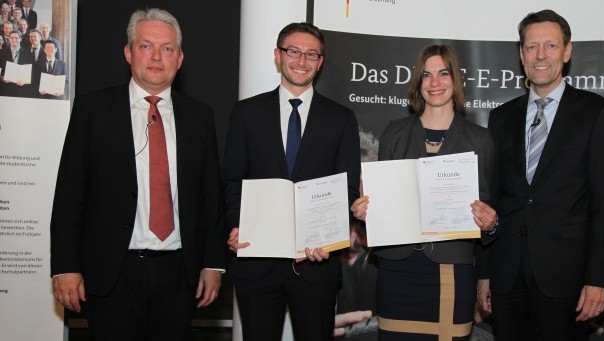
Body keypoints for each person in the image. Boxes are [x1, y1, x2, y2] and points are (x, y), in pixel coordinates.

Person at [50, 8, 226, 341]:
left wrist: (213, 264)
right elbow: (69, 195)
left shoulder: (199, 117)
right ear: (129, 53)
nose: (157, 57)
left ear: (180, 57)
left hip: (179, 273)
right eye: (146, 46)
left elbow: (210, 198)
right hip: (113, 273)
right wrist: (65, 266)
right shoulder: (93, 111)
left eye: (168, 48)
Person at [480, 9, 604, 341]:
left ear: (567, 52)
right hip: (507, 274)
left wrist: (599, 279)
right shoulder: (500, 118)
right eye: (531, 47)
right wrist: (484, 274)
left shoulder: (596, 112)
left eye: (550, 46)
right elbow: (492, 199)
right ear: (521, 54)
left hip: (566, 277)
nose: (540, 55)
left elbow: (603, 204)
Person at [222, 22, 361, 341]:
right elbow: (232, 179)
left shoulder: (341, 119)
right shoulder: (246, 113)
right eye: (294, 51)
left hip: (316, 265)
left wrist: (328, 236)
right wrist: (234, 226)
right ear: (277, 55)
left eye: (311, 54)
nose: (302, 60)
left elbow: (347, 188)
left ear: (321, 62)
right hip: (256, 261)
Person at [350, 44, 498, 340]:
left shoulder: (479, 140)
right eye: (426, 75)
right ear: (418, 82)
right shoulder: (394, 133)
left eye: (443, 73)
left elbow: (488, 220)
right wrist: (365, 213)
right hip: (396, 273)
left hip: (451, 275)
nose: (435, 83)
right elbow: (383, 207)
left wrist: (491, 224)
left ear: (455, 79)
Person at [0, 29, 33, 97]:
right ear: (9, 39)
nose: (14, 40)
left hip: (22, 89)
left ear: (20, 39)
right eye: (11, 38)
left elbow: (32, 72)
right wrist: (2, 77)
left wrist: (25, 81)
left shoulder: (28, 54)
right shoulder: (2, 53)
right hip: (5, 89)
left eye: (16, 38)